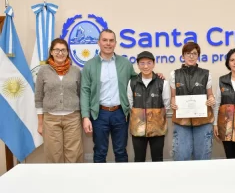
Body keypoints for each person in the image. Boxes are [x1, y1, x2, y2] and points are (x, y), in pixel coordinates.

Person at [81, 29, 138, 163]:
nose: (108, 43)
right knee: (100, 152)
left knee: (121, 151)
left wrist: (156, 76)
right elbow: (85, 91)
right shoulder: (89, 65)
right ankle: (100, 183)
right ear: (98, 42)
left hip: (120, 113)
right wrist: (85, 117)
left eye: (111, 40)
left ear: (115, 43)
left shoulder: (125, 64)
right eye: (105, 40)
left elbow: (137, 82)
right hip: (99, 114)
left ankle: (121, 182)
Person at [35, 38, 83, 163]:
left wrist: (84, 118)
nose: (60, 53)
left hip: (73, 118)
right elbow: (39, 97)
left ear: (68, 52)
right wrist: (40, 123)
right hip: (50, 119)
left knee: (74, 154)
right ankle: (55, 182)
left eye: (63, 50)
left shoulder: (76, 71)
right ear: (51, 52)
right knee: (53, 155)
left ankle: (72, 181)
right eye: (57, 50)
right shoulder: (43, 71)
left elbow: (80, 95)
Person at [170, 42, 215, 161]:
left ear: (198, 56)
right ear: (183, 56)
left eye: (194, 53)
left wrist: (211, 100)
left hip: (203, 121)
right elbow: (173, 96)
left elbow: (210, 95)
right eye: (188, 53)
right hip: (182, 122)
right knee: (181, 156)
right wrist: (173, 103)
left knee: (202, 157)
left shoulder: (206, 74)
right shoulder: (174, 74)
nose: (191, 56)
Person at [127, 51, 171, 162]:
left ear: (154, 64)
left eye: (149, 63)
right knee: (139, 158)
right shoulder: (132, 82)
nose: (145, 66)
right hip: (138, 128)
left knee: (157, 158)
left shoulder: (162, 83)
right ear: (138, 65)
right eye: (142, 63)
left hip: (157, 128)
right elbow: (130, 103)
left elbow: (167, 104)